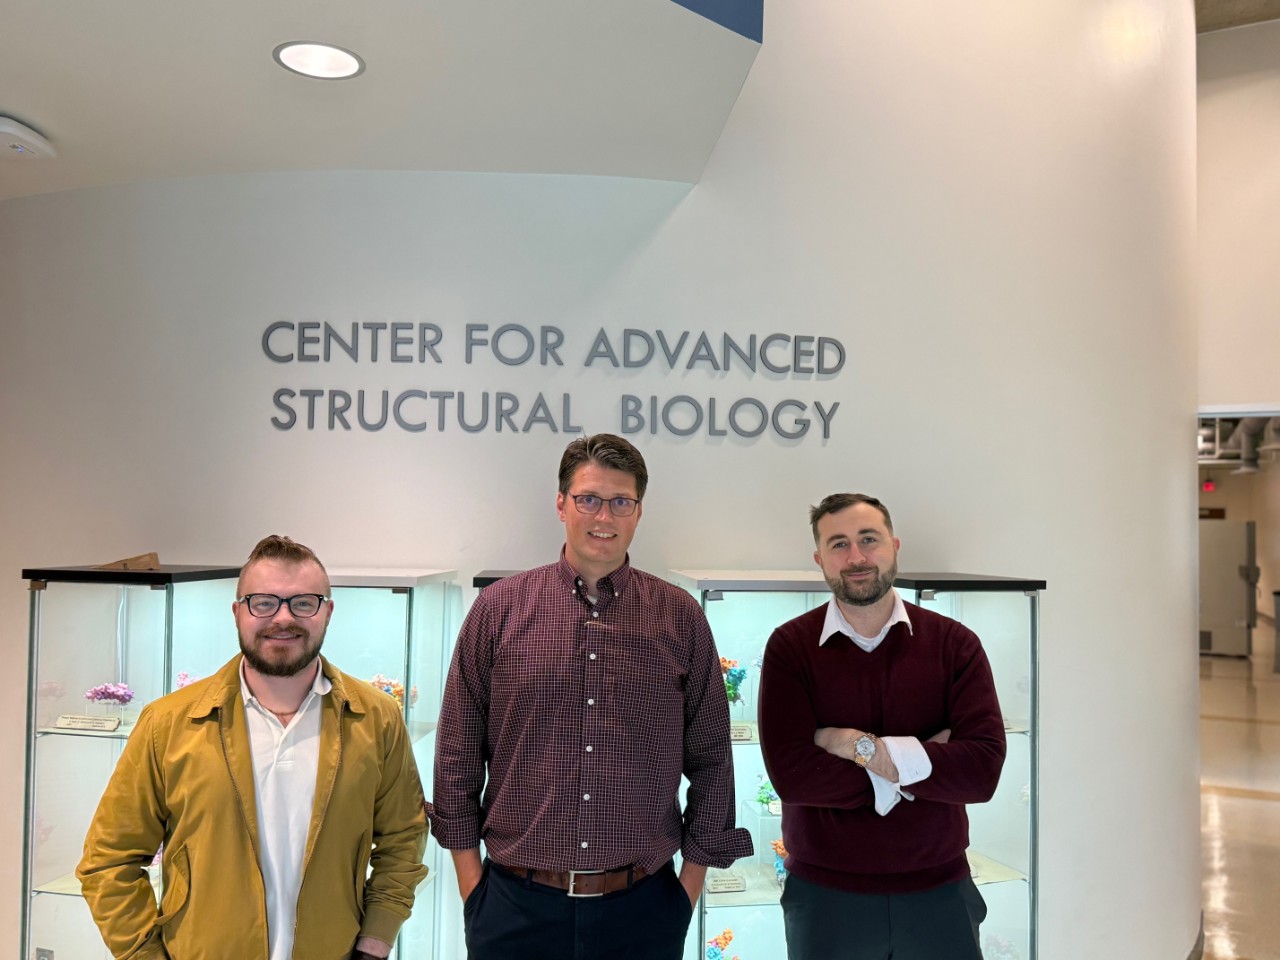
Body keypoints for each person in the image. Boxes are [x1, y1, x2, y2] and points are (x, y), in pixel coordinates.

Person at [431, 433, 752, 960]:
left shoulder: (680, 617)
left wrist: (684, 894)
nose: (605, 515)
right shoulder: (498, 610)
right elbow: (457, 755)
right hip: (513, 908)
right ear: (561, 504)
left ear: (639, 511)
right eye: (589, 499)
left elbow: (713, 758)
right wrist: (474, 892)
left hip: (644, 909)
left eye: (621, 501)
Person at [77, 535, 429, 960]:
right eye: (263, 602)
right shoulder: (167, 723)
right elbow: (110, 861)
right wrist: (144, 954)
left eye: (303, 602)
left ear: (328, 612)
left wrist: (374, 944)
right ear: (237, 612)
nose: (283, 618)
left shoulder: (376, 718)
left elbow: (403, 841)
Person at [758, 493, 1006, 960]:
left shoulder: (955, 644)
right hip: (825, 899)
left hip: (941, 892)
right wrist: (920, 764)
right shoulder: (791, 647)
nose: (855, 557)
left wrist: (851, 745)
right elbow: (791, 775)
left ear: (893, 546)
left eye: (868, 540)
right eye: (838, 544)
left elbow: (982, 770)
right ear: (819, 559)